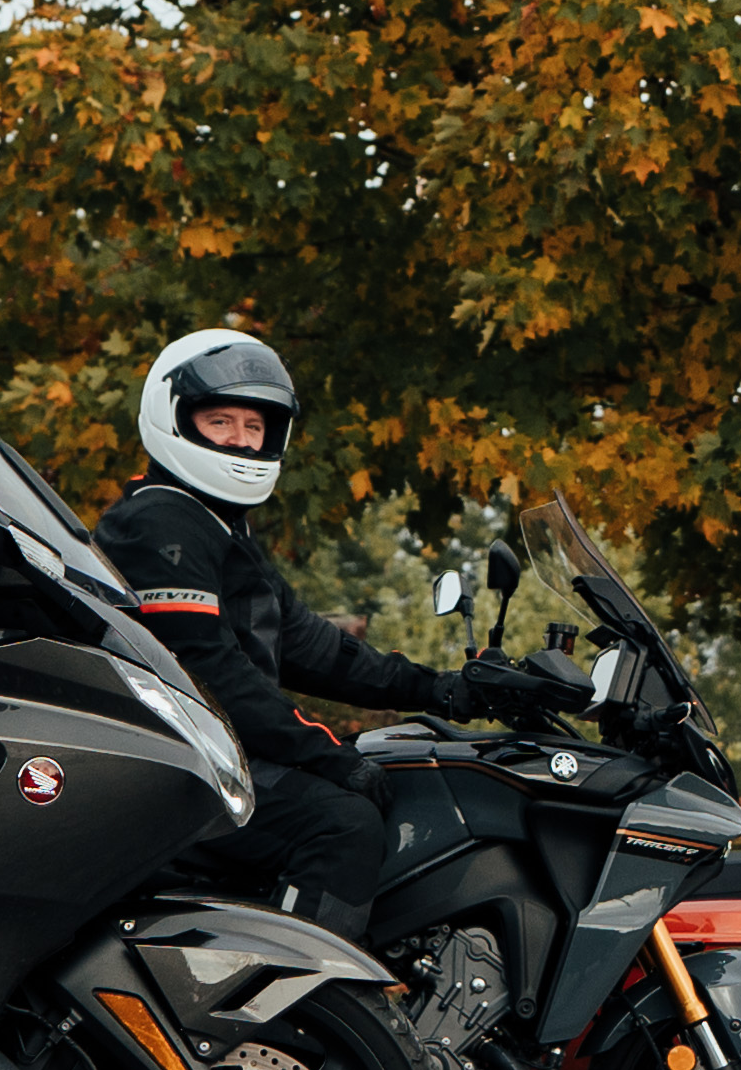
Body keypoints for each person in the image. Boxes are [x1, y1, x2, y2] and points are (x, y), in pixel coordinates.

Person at [90, 324, 589, 928]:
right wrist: (327, 753)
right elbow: (207, 673)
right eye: (220, 422)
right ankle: (304, 1010)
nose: (243, 444)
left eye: (255, 427)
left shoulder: (218, 528)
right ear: (175, 418)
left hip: (200, 761)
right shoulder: (160, 522)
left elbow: (314, 648)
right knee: (339, 820)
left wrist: (445, 690)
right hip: (171, 772)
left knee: (407, 777)